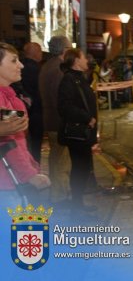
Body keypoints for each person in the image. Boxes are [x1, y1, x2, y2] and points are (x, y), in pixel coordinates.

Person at [0, 42, 50, 207]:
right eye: (14, 61)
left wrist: (32, 166)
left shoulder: (11, 98)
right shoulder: (4, 100)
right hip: (8, 183)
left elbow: (17, 139)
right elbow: (10, 144)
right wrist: (29, 174)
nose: (20, 65)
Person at [57, 49, 99, 213]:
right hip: (77, 134)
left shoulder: (78, 78)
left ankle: (79, 204)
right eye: (83, 57)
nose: (86, 60)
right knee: (79, 169)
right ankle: (77, 208)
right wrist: (86, 118)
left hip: (84, 133)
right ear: (76, 61)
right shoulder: (69, 79)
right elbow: (64, 107)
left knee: (82, 168)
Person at [39, 35, 72, 205]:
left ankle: (59, 193)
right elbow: (61, 99)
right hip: (59, 122)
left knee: (56, 159)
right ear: (64, 50)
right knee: (61, 161)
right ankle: (60, 196)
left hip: (51, 120)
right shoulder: (58, 70)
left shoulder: (47, 66)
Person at [19, 42, 44, 163]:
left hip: (27, 112)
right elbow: (38, 93)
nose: (41, 54)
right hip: (35, 113)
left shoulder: (24, 66)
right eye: (39, 51)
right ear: (34, 53)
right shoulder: (34, 69)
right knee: (35, 147)